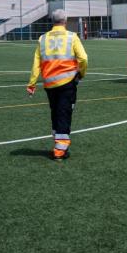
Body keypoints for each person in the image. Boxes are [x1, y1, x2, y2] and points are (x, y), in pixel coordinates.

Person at [26, 9, 88, 161]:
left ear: (52, 21)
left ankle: (58, 144)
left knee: (55, 113)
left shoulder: (42, 38)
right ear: (65, 21)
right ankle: (60, 150)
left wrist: (32, 84)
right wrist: (81, 73)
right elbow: (83, 58)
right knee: (64, 114)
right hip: (67, 82)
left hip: (50, 84)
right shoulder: (72, 37)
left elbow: (36, 64)